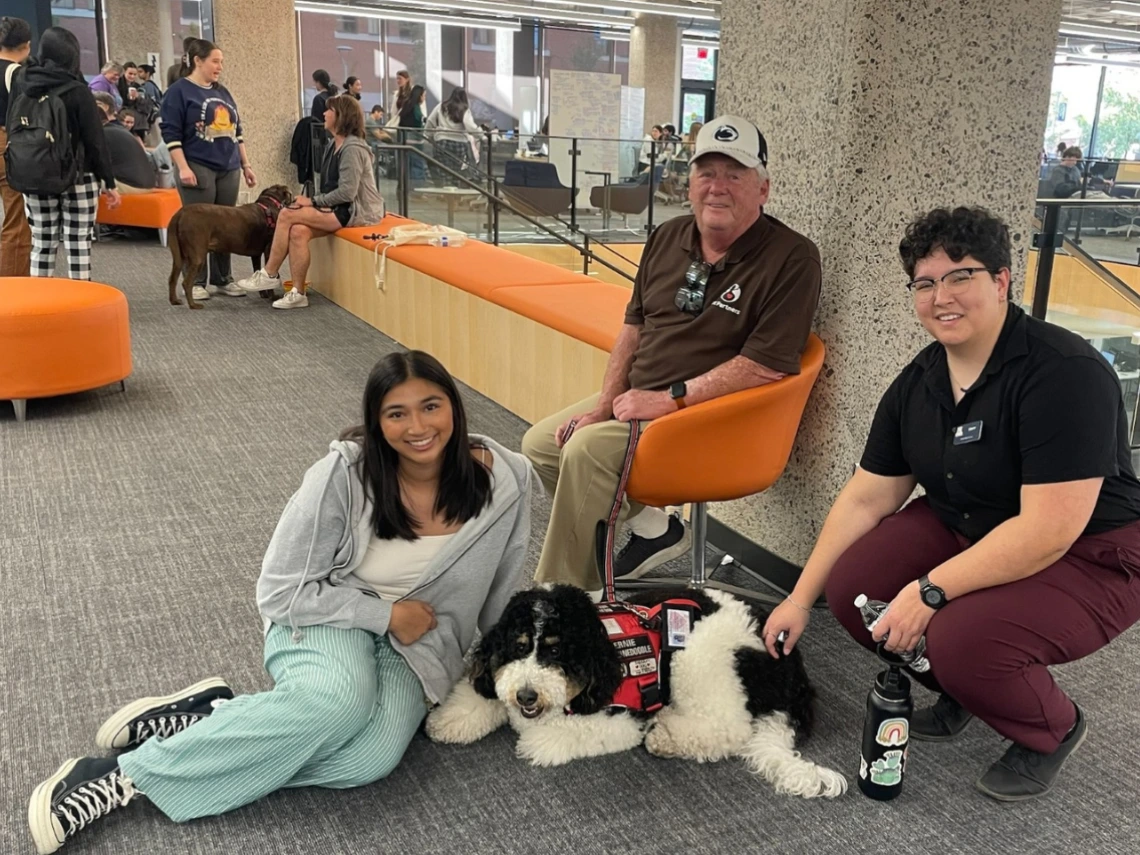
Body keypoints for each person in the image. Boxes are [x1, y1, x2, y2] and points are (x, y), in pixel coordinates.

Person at [27, 350, 535, 855]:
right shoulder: (343, 477)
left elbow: (499, 590)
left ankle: (219, 716)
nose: (418, 426)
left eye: (431, 406)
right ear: (376, 424)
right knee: (337, 705)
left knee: (368, 760)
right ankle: (121, 776)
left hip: (419, 644)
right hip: (323, 615)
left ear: (454, 407)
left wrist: (504, 672)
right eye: (396, 413)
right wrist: (385, 615)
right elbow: (280, 589)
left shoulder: (507, 481)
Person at [762, 205, 1140, 803]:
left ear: (1000, 281)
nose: (943, 296)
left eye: (960, 275)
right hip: (974, 523)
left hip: (1093, 552)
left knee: (963, 639)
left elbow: (1048, 531)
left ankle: (1053, 727)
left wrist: (931, 590)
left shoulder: (1065, 373)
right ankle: (965, 691)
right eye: (925, 282)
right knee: (853, 588)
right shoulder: (921, 379)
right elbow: (868, 496)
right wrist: (799, 599)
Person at [521, 116, 821, 591]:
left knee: (585, 453)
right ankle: (654, 528)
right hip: (644, 402)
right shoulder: (666, 237)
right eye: (707, 173)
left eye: (735, 174)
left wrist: (669, 399)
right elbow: (633, 328)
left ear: (763, 188)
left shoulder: (792, 258)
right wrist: (604, 404)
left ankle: (564, 597)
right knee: (540, 445)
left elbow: (764, 365)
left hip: (709, 419)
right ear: (689, 184)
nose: (717, 188)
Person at [236, 95, 384, 310]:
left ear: (340, 116)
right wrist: (316, 203)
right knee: (297, 231)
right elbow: (333, 189)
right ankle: (298, 292)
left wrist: (312, 202)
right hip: (339, 208)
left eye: (329, 111)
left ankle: (269, 273)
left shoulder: (353, 149)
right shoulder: (333, 144)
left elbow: (347, 193)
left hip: (356, 211)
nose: (324, 114)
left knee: (287, 214)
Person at [11, 26, 120, 280]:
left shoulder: (23, 82)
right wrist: (110, 181)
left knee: (42, 240)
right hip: (78, 175)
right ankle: (79, 302)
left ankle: (41, 303)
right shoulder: (77, 89)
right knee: (78, 240)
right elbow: (95, 139)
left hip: (36, 173)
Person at [161, 38, 256, 303]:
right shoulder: (179, 91)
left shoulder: (222, 92)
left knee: (227, 227)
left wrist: (246, 165)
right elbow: (171, 133)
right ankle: (196, 280)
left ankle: (222, 278)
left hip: (229, 167)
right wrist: (182, 167)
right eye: (215, 61)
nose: (219, 66)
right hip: (197, 166)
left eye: (221, 62)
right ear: (197, 61)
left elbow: (238, 132)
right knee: (199, 227)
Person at [0, 15, 33, 277]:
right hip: (7, 144)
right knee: (16, 219)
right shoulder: (18, 74)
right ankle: (11, 288)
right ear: (27, 44)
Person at [93, 91, 157, 193]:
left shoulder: (105, 133)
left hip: (132, 186)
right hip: (145, 184)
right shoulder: (119, 130)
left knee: (87, 178)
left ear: (103, 106)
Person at [425, 86, 480, 181]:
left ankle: (443, 189)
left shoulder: (441, 106)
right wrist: (481, 135)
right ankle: (453, 189)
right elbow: (469, 125)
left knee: (443, 170)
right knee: (455, 172)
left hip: (442, 141)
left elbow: (430, 120)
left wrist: (427, 135)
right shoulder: (464, 109)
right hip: (459, 143)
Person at [398, 84, 428, 181]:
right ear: (419, 96)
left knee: (407, 167)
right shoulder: (416, 108)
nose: (424, 98)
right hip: (415, 141)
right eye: (424, 95)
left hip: (405, 140)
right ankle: (416, 189)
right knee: (417, 166)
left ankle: (407, 189)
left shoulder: (407, 105)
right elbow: (417, 123)